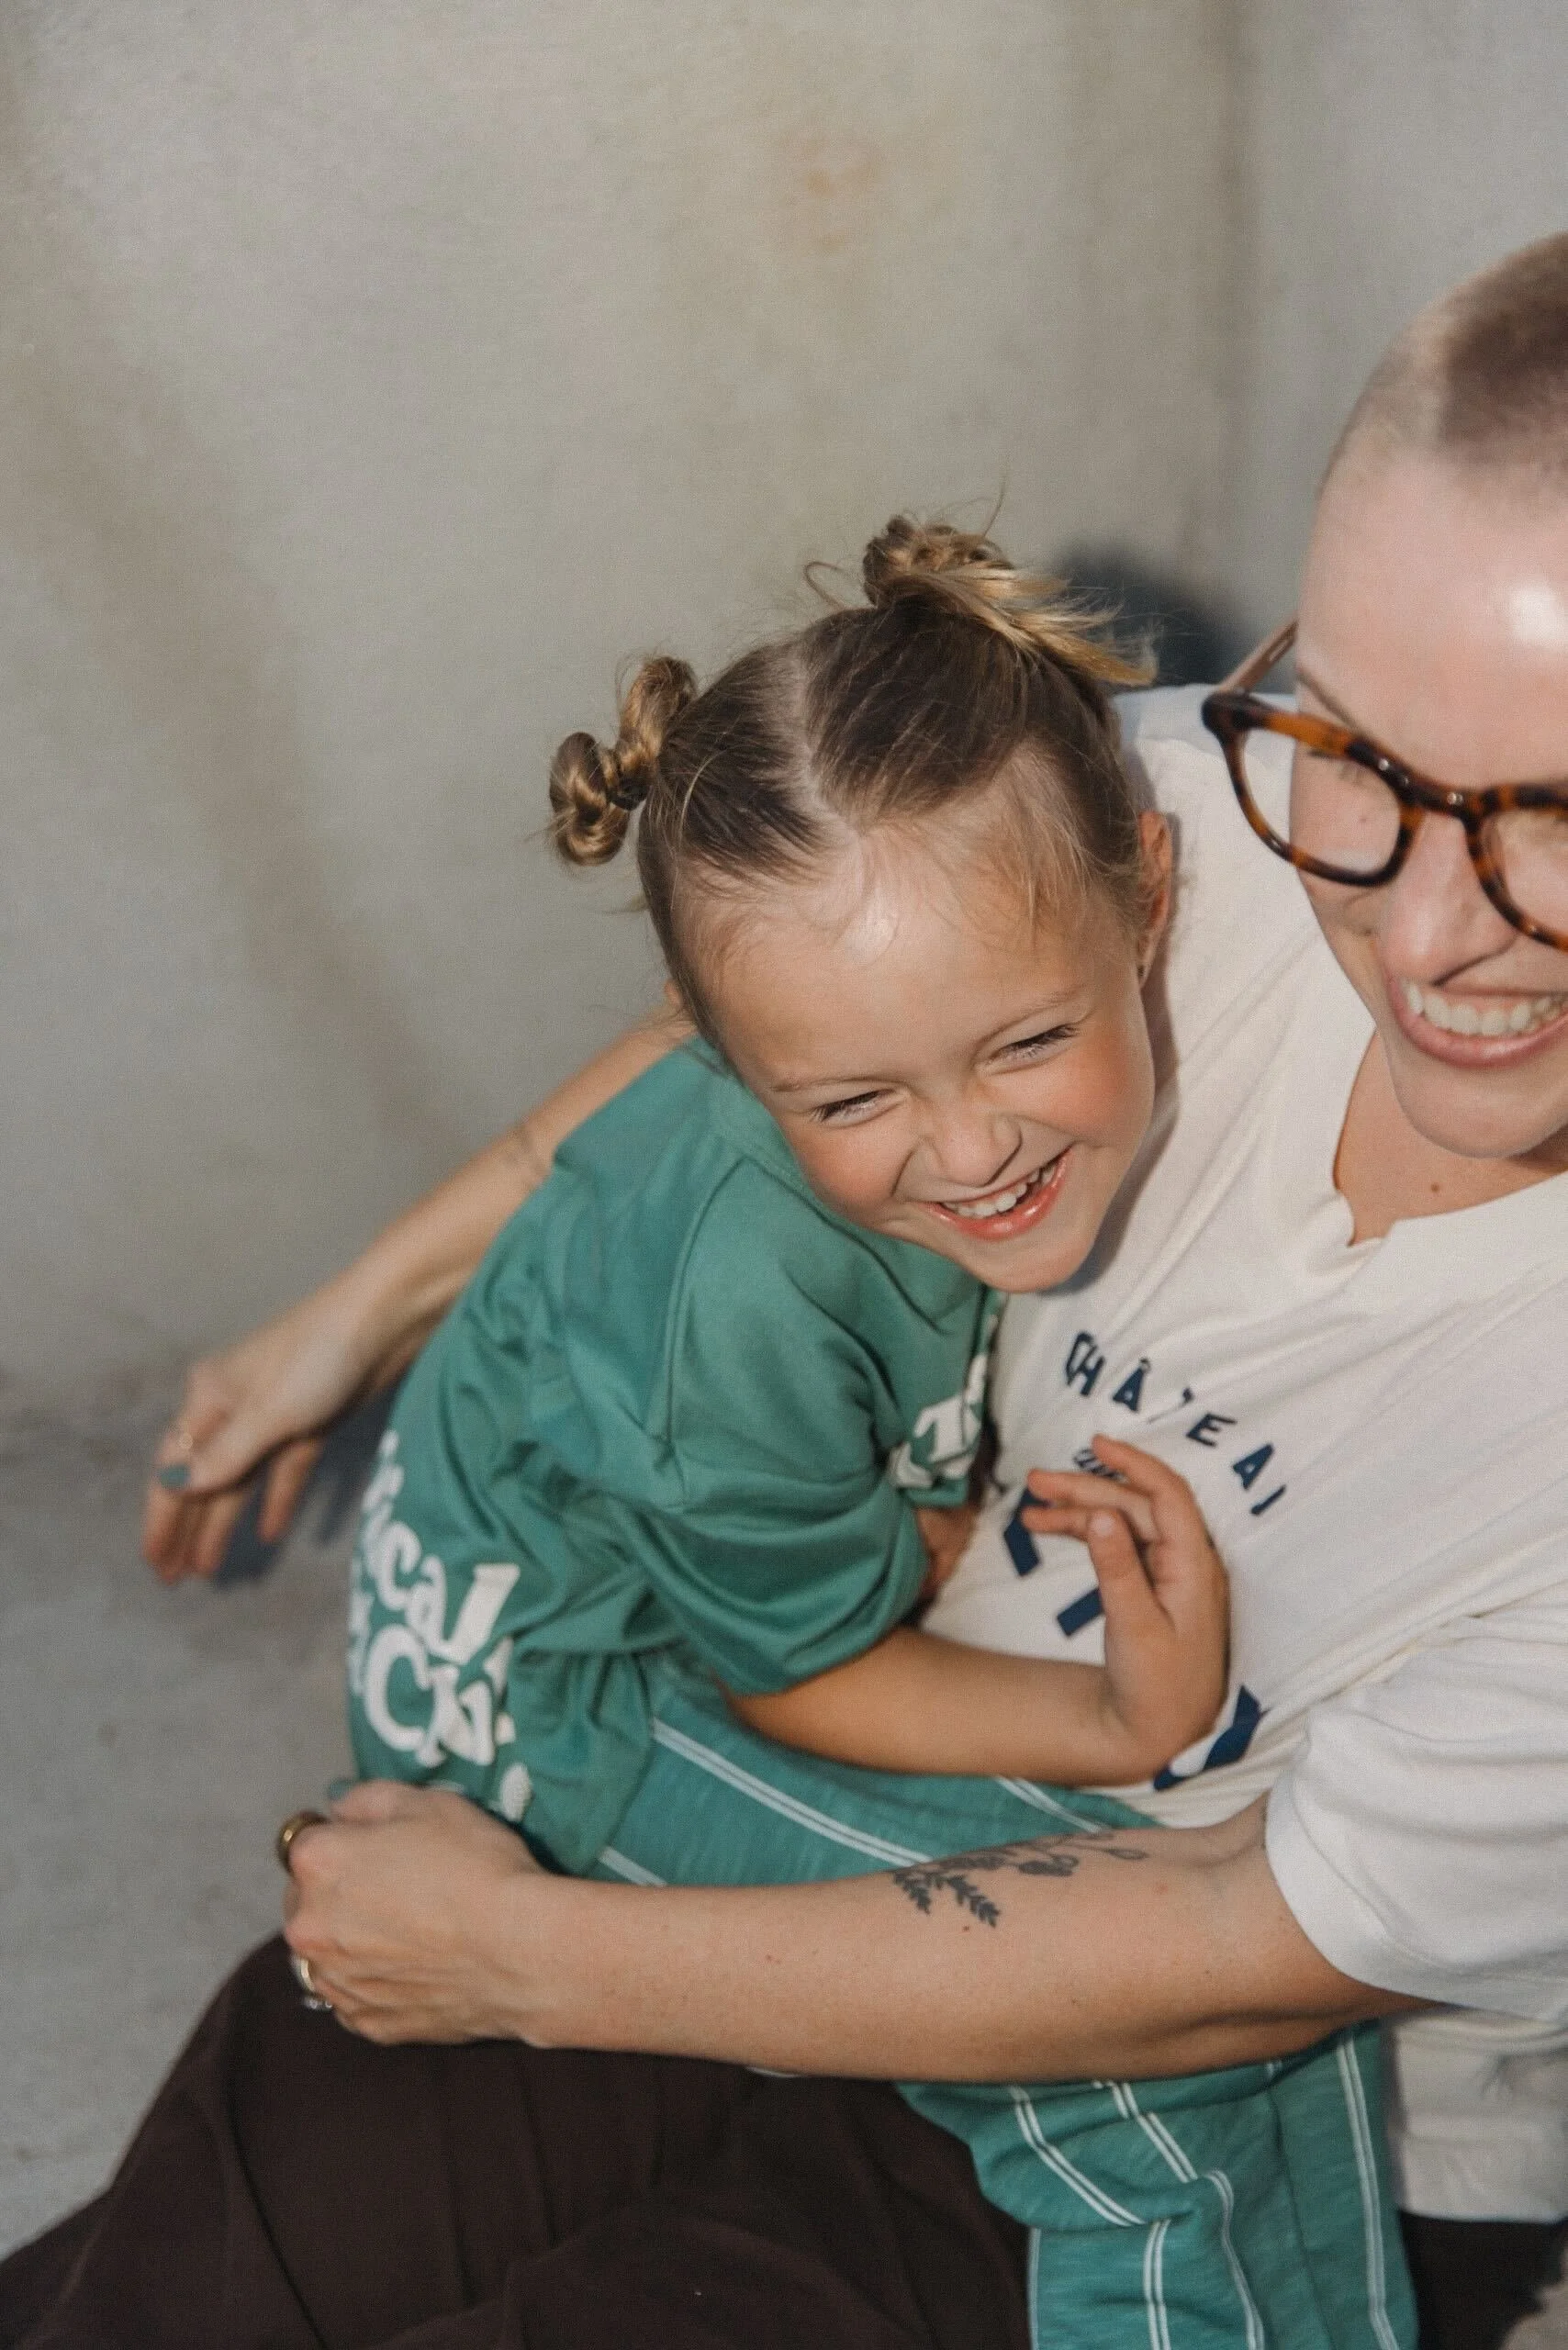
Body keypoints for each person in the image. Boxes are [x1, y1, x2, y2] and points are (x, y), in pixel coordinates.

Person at [9, 238, 1568, 2350]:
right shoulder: (1219, 810)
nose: (1427, 927)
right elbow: (802, 987)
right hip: (808, 1778)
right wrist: (362, 1301)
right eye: (1356, 749)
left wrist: (525, 1959)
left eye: (1558, 810)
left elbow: (1223, 1939)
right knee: (179, 2271)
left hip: (1226, 2093)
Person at [338, 520, 1395, 2349]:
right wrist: (1112, 1719)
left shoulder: (911, 1058)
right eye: (853, 1095)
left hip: (677, 1579)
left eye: (1019, 1040)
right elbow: (797, 1675)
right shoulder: (736, 1292)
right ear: (735, 1063)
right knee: (1154, 2054)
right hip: (562, 1700)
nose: (968, 1147)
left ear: (1145, 889)